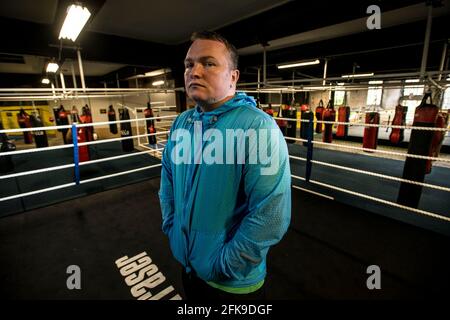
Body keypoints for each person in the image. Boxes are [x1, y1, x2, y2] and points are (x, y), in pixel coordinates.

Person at [159, 31, 291, 300]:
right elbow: (167, 186)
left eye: (208, 63)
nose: (194, 71)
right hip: (188, 266)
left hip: (231, 284)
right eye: (189, 64)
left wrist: (224, 265)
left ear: (233, 76)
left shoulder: (258, 127)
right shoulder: (181, 124)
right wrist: (173, 231)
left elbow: (271, 214)